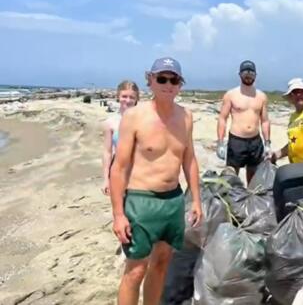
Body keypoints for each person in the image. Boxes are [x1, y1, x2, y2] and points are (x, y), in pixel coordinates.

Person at [109, 57, 203, 305]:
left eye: (173, 79)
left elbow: (190, 159)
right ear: (150, 80)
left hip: (172, 200)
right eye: (161, 78)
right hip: (141, 201)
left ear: (180, 84)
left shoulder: (186, 117)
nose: (167, 84)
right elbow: (118, 168)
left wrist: (196, 200)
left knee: (161, 264)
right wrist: (118, 214)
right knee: (136, 270)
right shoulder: (134, 117)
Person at [217, 60, 271, 184]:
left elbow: (265, 121)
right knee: (231, 175)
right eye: (245, 72)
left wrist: (267, 143)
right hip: (236, 140)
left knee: (253, 175)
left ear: (255, 75)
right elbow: (222, 118)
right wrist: (220, 142)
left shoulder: (261, 96)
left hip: (255, 141)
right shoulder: (231, 95)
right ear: (240, 74)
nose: (248, 75)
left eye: (251, 72)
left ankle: (250, 199)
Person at [102, 80, 139, 195]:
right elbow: (107, 152)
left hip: (140, 172)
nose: (127, 100)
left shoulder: (143, 120)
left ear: (137, 99)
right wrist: (105, 179)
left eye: (131, 97)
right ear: (118, 97)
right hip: (119, 171)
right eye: (124, 96)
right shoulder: (110, 122)